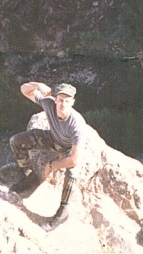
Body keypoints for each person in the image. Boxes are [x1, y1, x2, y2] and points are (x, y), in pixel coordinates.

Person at [9, 81, 88, 231]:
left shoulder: (77, 124)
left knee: (73, 172)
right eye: (60, 100)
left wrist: (51, 166)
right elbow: (25, 90)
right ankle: (29, 176)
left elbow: (74, 158)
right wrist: (38, 85)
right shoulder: (49, 104)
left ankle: (63, 212)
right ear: (55, 99)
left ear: (72, 102)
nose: (62, 104)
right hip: (52, 139)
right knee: (16, 141)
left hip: (68, 148)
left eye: (66, 101)